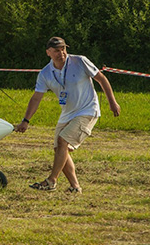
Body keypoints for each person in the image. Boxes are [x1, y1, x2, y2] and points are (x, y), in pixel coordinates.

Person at [15, 36, 120, 193]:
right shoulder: (45, 73)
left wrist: (112, 102)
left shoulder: (80, 61)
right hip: (67, 114)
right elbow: (36, 97)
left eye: (63, 49)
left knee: (62, 141)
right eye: (57, 50)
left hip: (88, 110)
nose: (61, 53)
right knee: (60, 150)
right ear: (48, 52)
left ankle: (51, 181)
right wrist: (25, 120)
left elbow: (102, 79)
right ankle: (75, 187)